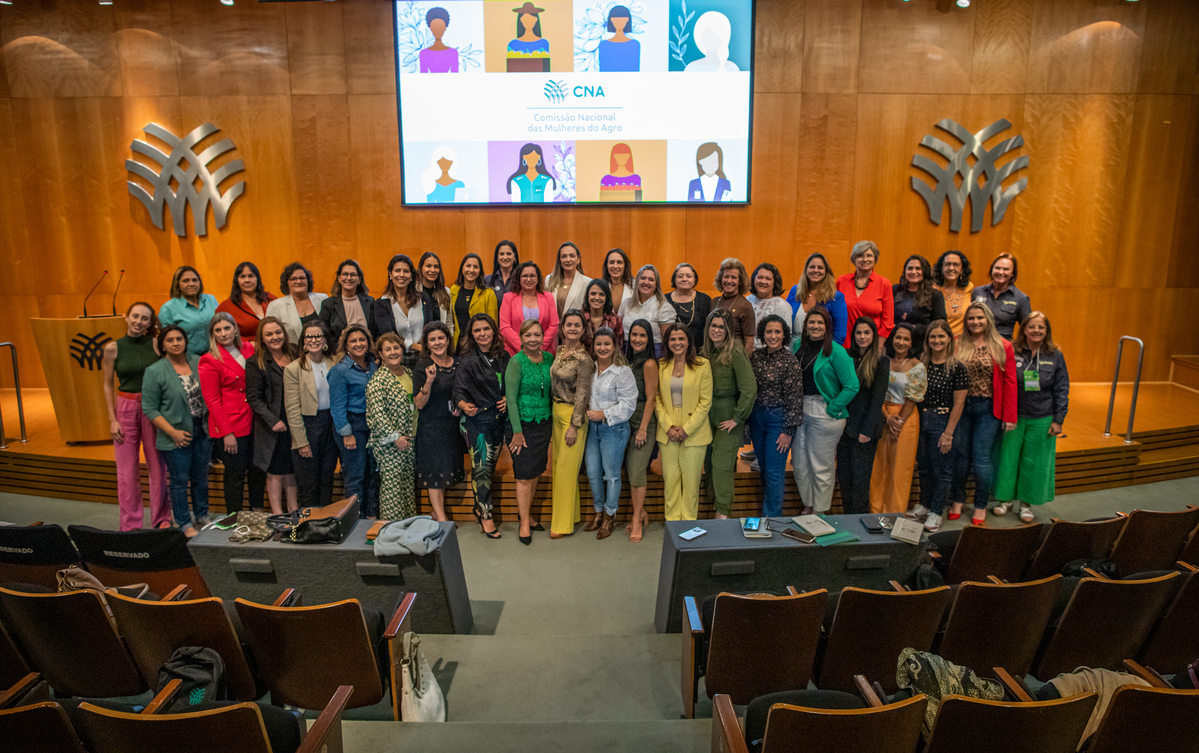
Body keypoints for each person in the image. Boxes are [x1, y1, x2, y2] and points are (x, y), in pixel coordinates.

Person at [993, 312, 1069, 522]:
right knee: (1007, 459)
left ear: (1047, 331)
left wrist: (1058, 419)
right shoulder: (1012, 350)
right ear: (1024, 329)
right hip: (1013, 416)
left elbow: (1062, 388)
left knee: (1034, 462)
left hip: (1042, 416)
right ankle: (1005, 500)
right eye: (1032, 327)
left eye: (1041, 327)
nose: (1036, 331)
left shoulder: (1055, 355)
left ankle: (1026, 504)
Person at [102, 303, 169, 531]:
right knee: (127, 470)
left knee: (158, 466)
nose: (139, 321)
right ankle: (130, 525)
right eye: (135, 316)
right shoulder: (113, 348)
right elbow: (107, 384)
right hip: (126, 406)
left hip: (152, 407)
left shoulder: (156, 345)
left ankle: (161, 519)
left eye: (144, 318)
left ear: (150, 323)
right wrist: (112, 419)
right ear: (126, 317)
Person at [950, 302, 1017, 526]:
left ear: (988, 319)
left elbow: (1010, 382)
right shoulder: (958, 342)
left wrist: (1010, 415)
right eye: (971, 318)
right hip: (961, 407)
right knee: (960, 458)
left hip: (988, 409)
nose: (975, 322)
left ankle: (980, 505)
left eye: (980, 318)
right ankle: (958, 500)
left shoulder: (1002, 345)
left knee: (982, 460)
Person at [791, 307, 859, 514]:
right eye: (811, 322)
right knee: (800, 464)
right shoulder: (797, 346)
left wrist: (833, 408)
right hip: (799, 409)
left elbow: (852, 385)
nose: (815, 326)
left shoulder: (836, 351)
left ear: (827, 326)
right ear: (805, 325)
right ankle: (808, 505)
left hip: (825, 412)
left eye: (820, 323)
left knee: (821, 465)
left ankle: (820, 511)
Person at [142, 326, 208, 537]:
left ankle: (202, 516)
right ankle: (183, 522)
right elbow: (149, 408)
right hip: (176, 434)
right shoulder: (155, 371)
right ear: (163, 344)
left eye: (179, 339)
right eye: (170, 340)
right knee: (179, 480)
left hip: (202, 429)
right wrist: (172, 432)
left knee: (200, 477)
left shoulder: (198, 361)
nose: (176, 343)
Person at [199, 311, 264, 513]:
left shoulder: (248, 348)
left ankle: (257, 512)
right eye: (218, 330)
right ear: (213, 334)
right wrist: (227, 433)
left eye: (227, 328)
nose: (224, 333)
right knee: (235, 475)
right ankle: (234, 517)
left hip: (255, 420)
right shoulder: (209, 359)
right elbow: (212, 400)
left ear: (235, 328)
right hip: (232, 425)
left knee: (257, 470)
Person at [907, 320, 967, 532]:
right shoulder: (922, 362)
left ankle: (936, 511)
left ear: (949, 339)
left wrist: (948, 433)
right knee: (923, 466)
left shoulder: (957, 367)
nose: (937, 340)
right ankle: (925, 504)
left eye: (941, 336)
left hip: (944, 422)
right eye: (933, 336)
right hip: (922, 419)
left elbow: (959, 404)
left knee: (941, 470)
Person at [455, 314, 510, 538]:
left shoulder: (504, 356)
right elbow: (457, 390)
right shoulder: (467, 359)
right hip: (475, 422)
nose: (482, 334)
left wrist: (508, 398)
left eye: (486, 329)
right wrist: (462, 405)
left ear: (494, 331)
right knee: (481, 470)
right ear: (471, 334)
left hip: (498, 421)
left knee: (489, 468)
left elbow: (512, 384)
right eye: (477, 331)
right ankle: (486, 515)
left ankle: (479, 507)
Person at [583, 328, 638, 539]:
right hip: (591, 429)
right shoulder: (590, 368)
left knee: (611, 475)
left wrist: (604, 413)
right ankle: (598, 513)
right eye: (598, 344)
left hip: (613, 428)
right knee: (593, 473)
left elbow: (628, 404)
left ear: (614, 346)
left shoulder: (622, 371)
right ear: (593, 346)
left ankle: (609, 515)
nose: (602, 348)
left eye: (607, 344)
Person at [702, 309, 756, 519]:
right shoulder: (705, 352)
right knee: (708, 464)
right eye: (713, 326)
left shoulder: (735, 352)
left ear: (728, 330)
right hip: (707, 420)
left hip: (728, 419)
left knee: (721, 466)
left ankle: (723, 513)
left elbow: (749, 389)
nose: (716, 330)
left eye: (721, 327)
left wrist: (738, 418)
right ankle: (714, 505)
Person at [655, 323, 712, 521]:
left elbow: (705, 402)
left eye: (681, 339)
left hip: (694, 432)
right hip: (667, 431)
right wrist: (668, 426)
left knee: (690, 485)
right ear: (667, 342)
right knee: (670, 482)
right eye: (673, 339)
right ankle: (672, 523)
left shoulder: (702, 365)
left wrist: (686, 429)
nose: (677, 343)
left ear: (689, 342)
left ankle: (687, 526)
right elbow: (657, 400)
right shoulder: (661, 365)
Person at [748, 314, 802, 517]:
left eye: (777, 331)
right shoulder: (756, 356)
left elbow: (795, 398)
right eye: (769, 331)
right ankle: (768, 514)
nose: (773, 336)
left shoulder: (790, 361)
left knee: (774, 472)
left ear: (784, 334)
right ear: (763, 333)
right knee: (763, 468)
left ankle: (772, 519)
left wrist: (788, 431)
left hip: (778, 421)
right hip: (757, 418)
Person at [870, 323, 927, 514]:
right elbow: (877, 392)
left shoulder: (917, 366)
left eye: (906, 339)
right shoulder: (883, 360)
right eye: (898, 337)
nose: (901, 342)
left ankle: (894, 513)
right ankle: (875, 510)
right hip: (883, 415)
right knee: (879, 467)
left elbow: (913, 399)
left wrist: (898, 421)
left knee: (899, 470)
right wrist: (887, 418)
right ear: (892, 339)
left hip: (906, 418)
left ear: (911, 342)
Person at [547, 309, 594, 538]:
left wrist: (574, 425)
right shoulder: (560, 350)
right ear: (562, 328)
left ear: (583, 330)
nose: (573, 328)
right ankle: (572, 514)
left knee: (566, 471)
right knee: (559, 468)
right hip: (556, 411)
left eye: (577, 325)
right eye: (569, 325)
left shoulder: (584, 359)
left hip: (572, 417)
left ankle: (562, 526)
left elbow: (583, 394)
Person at [505, 319, 553, 545]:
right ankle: (523, 522)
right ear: (521, 338)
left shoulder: (549, 359)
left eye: (537, 335)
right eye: (528, 335)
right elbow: (511, 400)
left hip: (544, 423)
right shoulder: (516, 362)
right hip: (521, 425)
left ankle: (528, 513)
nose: (533, 339)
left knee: (535, 472)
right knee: (524, 475)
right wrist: (517, 431)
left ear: (543, 336)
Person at [836, 318, 890, 514]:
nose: (862, 337)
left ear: (873, 335)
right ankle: (847, 517)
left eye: (867, 333)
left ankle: (859, 521)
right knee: (844, 477)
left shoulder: (881, 361)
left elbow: (877, 399)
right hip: (843, 427)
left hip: (865, 430)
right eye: (858, 333)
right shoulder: (845, 356)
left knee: (860, 480)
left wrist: (866, 430)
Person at [245, 317, 298, 515]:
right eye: (269, 334)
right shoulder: (255, 362)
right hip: (272, 426)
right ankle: (277, 515)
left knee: (291, 470)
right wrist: (273, 421)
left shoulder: (295, 353)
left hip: (294, 422)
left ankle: (293, 510)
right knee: (275, 472)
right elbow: (254, 398)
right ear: (262, 338)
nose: (275, 337)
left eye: (278, 332)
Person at [413, 322, 465, 521]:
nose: (437, 343)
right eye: (432, 339)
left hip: (452, 427)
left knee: (445, 472)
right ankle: (441, 519)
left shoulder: (459, 363)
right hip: (431, 427)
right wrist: (428, 381)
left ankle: (436, 512)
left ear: (448, 339)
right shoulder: (423, 366)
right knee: (434, 473)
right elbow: (418, 403)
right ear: (427, 343)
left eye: (441, 338)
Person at [284, 321, 338, 509]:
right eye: (309, 336)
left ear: (325, 341)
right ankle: (308, 526)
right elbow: (292, 408)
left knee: (327, 478)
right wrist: (301, 441)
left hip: (331, 424)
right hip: (308, 426)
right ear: (303, 341)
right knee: (308, 483)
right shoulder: (293, 369)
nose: (314, 340)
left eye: (318, 336)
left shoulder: (334, 364)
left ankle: (325, 524)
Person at [330, 325, 380, 518]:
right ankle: (354, 520)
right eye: (353, 341)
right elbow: (337, 406)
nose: (358, 344)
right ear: (346, 345)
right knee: (355, 477)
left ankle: (370, 515)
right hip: (352, 427)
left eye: (362, 340)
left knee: (371, 474)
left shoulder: (373, 364)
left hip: (371, 426)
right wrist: (347, 433)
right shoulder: (340, 370)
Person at [367, 334, 417, 521]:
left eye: (396, 348)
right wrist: (395, 437)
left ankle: (408, 524)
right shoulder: (378, 380)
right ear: (380, 354)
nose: (393, 352)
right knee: (392, 491)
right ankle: (392, 528)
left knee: (406, 486)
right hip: (390, 445)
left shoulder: (409, 373)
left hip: (408, 441)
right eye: (388, 349)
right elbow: (377, 415)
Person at [623, 320, 659, 542]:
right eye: (634, 335)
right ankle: (641, 512)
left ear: (649, 339)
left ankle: (636, 518)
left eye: (642, 336)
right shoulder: (628, 361)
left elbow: (652, 398)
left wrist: (643, 428)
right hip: (625, 420)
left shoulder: (648, 364)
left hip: (643, 421)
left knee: (636, 471)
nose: (637, 339)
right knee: (629, 469)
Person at [836, 241, 893, 347]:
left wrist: (878, 348)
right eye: (860, 256)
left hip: (871, 346)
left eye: (869, 256)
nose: (865, 259)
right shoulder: (841, 281)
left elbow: (887, 323)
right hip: (844, 344)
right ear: (854, 259)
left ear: (875, 258)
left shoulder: (884, 284)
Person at [374, 254, 425, 368]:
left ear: (411, 275)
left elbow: (429, 326)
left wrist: (424, 348)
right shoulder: (381, 303)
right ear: (390, 274)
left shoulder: (423, 299)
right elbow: (388, 334)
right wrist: (415, 346)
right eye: (397, 271)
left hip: (424, 358)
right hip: (396, 359)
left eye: (406, 271)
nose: (401, 275)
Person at [785, 252, 848, 345]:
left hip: (821, 351)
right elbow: (784, 320)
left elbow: (840, 333)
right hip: (792, 347)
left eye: (820, 267)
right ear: (806, 270)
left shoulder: (835, 297)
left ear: (826, 271)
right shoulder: (795, 291)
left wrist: (827, 353)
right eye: (812, 267)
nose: (815, 270)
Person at [500, 260, 558, 354]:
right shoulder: (508, 298)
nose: (528, 279)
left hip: (543, 353)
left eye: (532, 276)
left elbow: (554, 325)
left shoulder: (548, 297)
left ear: (538, 278)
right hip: (515, 353)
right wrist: (524, 348)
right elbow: (505, 327)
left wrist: (538, 348)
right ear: (518, 278)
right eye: (525, 276)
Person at [892, 255, 946, 355]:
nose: (913, 272)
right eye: (910, 268)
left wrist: (914, 328)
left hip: (921, 348)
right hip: (894, 346)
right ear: (905, 271)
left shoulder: (935, 295)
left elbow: (939, 325)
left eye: (918, 268)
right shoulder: (895, 290)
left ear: (924, 271)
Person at [159, 266, 218, 356]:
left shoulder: (211, 299)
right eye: (185, 281)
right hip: (188, 359)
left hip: (216, 354)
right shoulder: (168, 308)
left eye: (195, 280)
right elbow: (167, 341)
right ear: (177, 284)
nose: (191, 284)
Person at [973, 253, 1031, 341]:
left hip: (1002, 348)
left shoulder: (1021, 299)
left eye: (1006, 269)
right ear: (992, 269)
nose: (1000, 272)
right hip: (975, 345)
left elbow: (1028, 329)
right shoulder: (977, 292)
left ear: (1012, 273)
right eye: (997, 268)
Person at [266, 262, 328, 342]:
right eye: (293, 279)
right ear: (286, 282)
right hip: (292, 353)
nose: (298, 281)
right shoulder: (275, 306)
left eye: (302, 278)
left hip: (323, 352)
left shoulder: (323, 299)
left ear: (308, 281)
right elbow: (271, 335)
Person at [618, 264, 676, 350]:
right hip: (627, 352)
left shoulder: (664, 308)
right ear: (637, 281)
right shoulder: (626, 304)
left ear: (656, 284)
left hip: (653, 354)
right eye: (643, 278)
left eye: (651, 279)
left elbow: (668, 340)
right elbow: (618, 332)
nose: (646, 282)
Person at [319, 259, 376, 346]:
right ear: (339, 278)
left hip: (368, 355)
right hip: (339, 356)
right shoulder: (328, 304)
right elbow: (324, 333)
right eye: (345, 274)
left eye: (353, 275)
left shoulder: (370, 302)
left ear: (359, 279)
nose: (349, 278)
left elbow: (376, 331)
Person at [449, 253, 500, 351]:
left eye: (475, 267)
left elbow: (493, 325)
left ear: (480, 271)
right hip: (458, 346)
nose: (471, 270)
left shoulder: (488, 294)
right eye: (468, 266)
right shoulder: (453, 290)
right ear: (462, 268)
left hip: (481, 345)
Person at [216, 262, 276, 340]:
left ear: (257, 278)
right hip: (245, 349)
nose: (247, 280)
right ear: (236, 281)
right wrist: (248, 343)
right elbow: (220, 333)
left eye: (251, 276)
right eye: (242, 277)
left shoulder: (271, 299)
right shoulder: (226, 307)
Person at [712, 258, 755, 353]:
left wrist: (743, 363)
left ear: (740, 281)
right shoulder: (714, 302)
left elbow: (749, 342)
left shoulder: (745, 306)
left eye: (733, 277)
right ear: (721, 278)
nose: (729, 280)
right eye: (726, 276)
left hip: (735, 357)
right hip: (713, 355)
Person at [747, 263, 793, 350]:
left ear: (774, 283)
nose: (763, 281)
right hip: (745, 355)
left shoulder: (782, 306)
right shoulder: (747, 300)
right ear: (754, 279)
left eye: (768, 279)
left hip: (769, 358)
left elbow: (786, 340)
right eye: (760, 277)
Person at [667, 262, 712, 348]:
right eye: (680, 276)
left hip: (699, 351)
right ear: (674, 279)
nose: (684, 279)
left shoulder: (705, 300)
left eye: (688, 276)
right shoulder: (665, 300)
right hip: (673, 351)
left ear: (695, 280)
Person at [545, 241, 591, 321]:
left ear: (578, 259)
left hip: (574, 328)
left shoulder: (587, 282)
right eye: (564, 256)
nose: (568, 260)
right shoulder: (549, 279)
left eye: (572, 256)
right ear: (559, 260)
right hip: (553, 330)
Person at [932, 250, 974, 336]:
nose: (951, 268)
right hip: (939, 340)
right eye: (947, 264)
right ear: (941, 268)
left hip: (964, 342)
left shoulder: (969, 288)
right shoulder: (932, 290)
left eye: (956, 265)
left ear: (962, 269)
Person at [417, 251, 455, 344]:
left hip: (440, 345)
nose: (432, 270)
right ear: (421, 268)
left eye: (436, 267)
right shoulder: (413, 291)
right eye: (428, 266)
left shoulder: (446, 292)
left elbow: (449, 323)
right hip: (419, 346)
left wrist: (450, 343)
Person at [582, 279, 623, 352]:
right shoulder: (579, 318)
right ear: (587, 296)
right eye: (593, 294)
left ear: (607, 297)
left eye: (601, 294)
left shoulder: (615, 321)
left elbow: (619, 350)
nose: (597, 298)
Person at [597, 5, 640, 71]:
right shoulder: (604, 45)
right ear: (611, 21)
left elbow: (635, 70)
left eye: (622, 20)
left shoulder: (635, 45)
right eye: (616, 20)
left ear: (627, 20)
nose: (619, 23)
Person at [419, 6, 459, 73]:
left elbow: (455, 76)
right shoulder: (424, 53)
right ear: (430, 28)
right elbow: (423, 75)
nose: (437, 30)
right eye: (434, 26)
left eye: (440, 26)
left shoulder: (453, 53)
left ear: (445, 28)